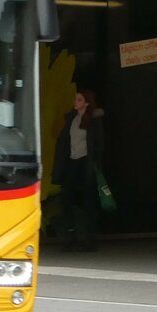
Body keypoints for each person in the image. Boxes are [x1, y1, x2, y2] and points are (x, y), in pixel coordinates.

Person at [52, 88, 106, 251]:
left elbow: (99, 145)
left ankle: (89, 239)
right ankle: (70, 236)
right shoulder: (72, 119)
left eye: (79, 99)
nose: (75, 102)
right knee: (66, 197)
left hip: (86, 163)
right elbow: (64, 143)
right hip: (72, 163)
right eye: (75, 99)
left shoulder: (93, 121)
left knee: (87, 200)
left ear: (87, 103)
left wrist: (96, 165)